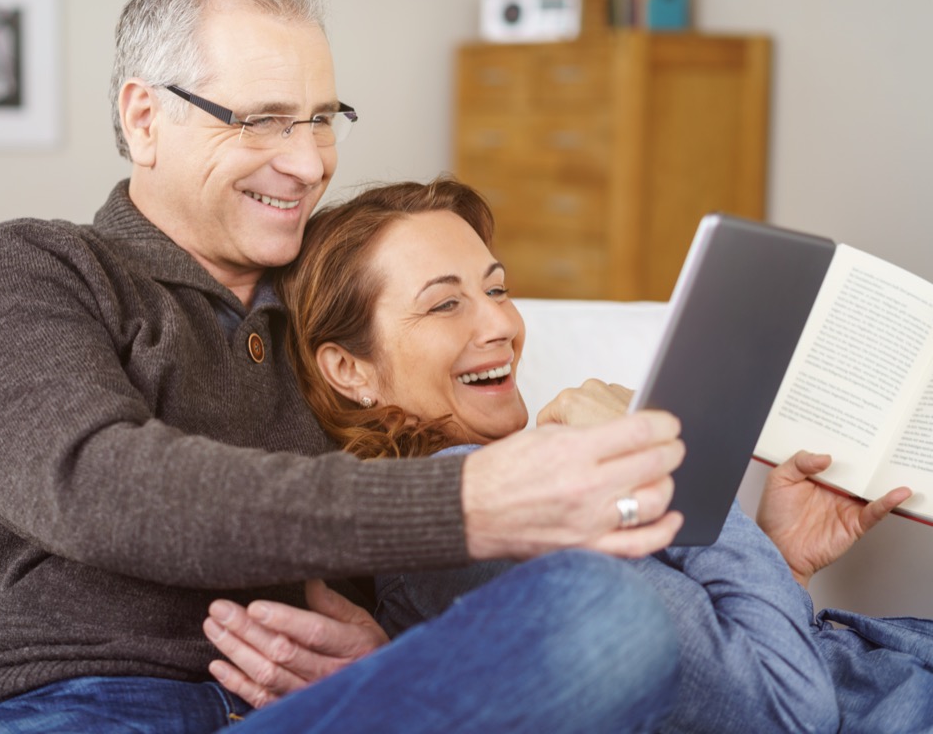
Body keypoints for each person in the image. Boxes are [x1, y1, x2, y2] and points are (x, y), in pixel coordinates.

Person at [0, 0, 690, 734]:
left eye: (322, 120)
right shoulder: (29, 269)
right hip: (62, 704)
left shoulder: (343, 314)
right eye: (262, 121)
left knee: (612, 620)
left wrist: (386, 660)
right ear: (144, 116)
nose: (307, 163)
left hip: (317, 715)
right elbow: (95, 488)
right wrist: (474, 504)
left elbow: (426, 577)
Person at [201, 178, 933, 733]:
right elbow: (785, 712)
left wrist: (780, 558)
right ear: (349, 371)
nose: (503, 324)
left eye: (497, 288)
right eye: (445, 303)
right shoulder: (469, 517)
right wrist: (661, 459)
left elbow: (713, 671)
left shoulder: (536, 481)